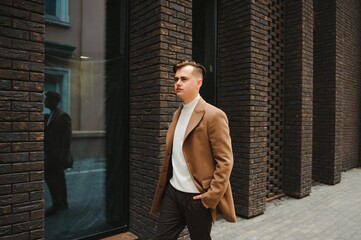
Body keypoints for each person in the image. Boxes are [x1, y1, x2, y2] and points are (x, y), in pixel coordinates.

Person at [151, 60, 236, 239]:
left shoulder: (214, 115)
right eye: (176, 79)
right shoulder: (178, 113)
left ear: (198, 83)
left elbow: (225, 161)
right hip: (173, 192)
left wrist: (211, 197)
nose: (177, 83)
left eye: (184, 79)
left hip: (197, 197)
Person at [44, 91, 72, 216]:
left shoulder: (63, 116)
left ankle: (57, 205)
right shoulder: (50, 115)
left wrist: (60, 155)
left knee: (56, 180)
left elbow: (67, 139)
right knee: (57, 180)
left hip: (56, 157)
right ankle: (61, 204)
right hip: (50, 156)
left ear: (54, 101)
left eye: (47, 99)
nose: (45, 102)